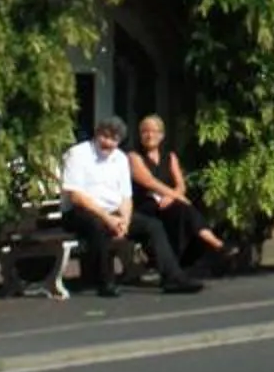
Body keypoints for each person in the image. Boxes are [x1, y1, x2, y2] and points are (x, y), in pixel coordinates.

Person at [58, 116, 199, 296]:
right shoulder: (78, 154)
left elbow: (126, 196)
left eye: (114, 139)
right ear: (96, 134)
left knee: (153, 226)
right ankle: (105, 282)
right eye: (105, 137)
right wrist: (108, 218)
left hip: (115, 212)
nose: (108, 143)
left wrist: (124, 219)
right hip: (81, 211)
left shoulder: (120, 158)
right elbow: (76, 196)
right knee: (98, 226)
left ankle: (174, 278)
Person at [128, 114, 227, 275]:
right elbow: (148, 181)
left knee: (181, 210)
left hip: (168, 202)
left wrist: (174, 196)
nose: (149, 135)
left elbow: (181, 185)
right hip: (145, 204)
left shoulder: (170, 156)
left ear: (161, 135)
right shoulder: (133, 156)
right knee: (181, 207)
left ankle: (190, 255)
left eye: (154, 131)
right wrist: (176, 196)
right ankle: (214, 242)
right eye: (144, 131)